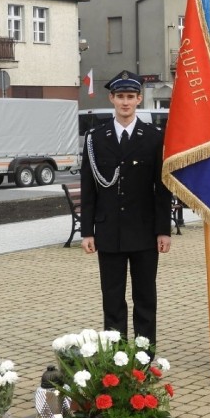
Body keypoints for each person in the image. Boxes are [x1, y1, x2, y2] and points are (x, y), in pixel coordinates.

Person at [79, 71, 173, 344]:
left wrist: (163, 231)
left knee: (145, 298)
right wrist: (88, 231)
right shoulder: (96, 138)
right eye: (120, 97)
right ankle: (116, 357)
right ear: (112, 99)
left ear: (139, 99)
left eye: (131, 97)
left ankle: (144, 356)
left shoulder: (154, 137)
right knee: (112, 299)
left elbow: (162, 188)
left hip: (144, 232)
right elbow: (89, 189)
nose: (125, 102)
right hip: (109, 231)